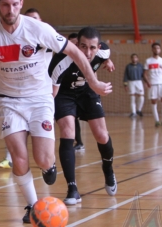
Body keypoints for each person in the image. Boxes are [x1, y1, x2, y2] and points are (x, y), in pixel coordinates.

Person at [0, 0, 112, 223]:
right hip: (9, 102)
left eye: (14, 4)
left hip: (40, 99)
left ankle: (49, 165)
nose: (10, 10)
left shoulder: (39, 29)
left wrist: (94, 82)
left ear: (20, 3)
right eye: (5, 5)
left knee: (43, 159)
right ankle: (32, 207)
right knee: (19, 159)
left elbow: (76, 53)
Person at [49, 27, 117, 205]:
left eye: (92, 48)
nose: (87, 52)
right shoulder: (61, 61)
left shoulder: (103, 51)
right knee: (68, 132)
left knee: (102, 135)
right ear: (76, 44)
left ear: (98, 47)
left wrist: (107, 61)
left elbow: (104, 54)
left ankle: (108, 169)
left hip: (87, 92)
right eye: (83, 46)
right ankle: (72, 188)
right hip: (64, 95)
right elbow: (52, 94)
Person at [0, 7, 46, 169]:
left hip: (41, 95)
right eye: (28, 18)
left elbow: (72, 50)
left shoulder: (46, 38)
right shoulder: (15, 41)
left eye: (35, 19)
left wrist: (104, 59)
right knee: (13, 129)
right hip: (15, 97)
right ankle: (9, 158)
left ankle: (46, 162)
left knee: (42, 145)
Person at [143, 43, 162, 127]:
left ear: (160, 50)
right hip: (153, 84)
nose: (156, 50)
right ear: (152, 49)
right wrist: (148, 82)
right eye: (155, 48)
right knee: (154, 101)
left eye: (158, 48)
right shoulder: (148, 61)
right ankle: (156, 121)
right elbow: (144, 74)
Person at [66, 32, 85, 151]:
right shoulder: (63, 58)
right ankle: (77, 142)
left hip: (82, 93)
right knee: (71, 119)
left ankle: (79, 142)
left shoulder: (84, 58)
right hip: (68, 94)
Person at [124, 53, 145, 118]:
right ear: (131, 59)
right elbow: (125, 76)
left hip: (139, 82)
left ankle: (139, 110)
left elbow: (144, 75)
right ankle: (133, 112)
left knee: (141, 97)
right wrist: (125, 84)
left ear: (137, 58)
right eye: (133, 57)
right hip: (131, 82)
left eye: (135, 57)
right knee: (132, 97)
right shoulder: (128, 66)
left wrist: (146, 82)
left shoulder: (140, 66)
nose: (134, 59)